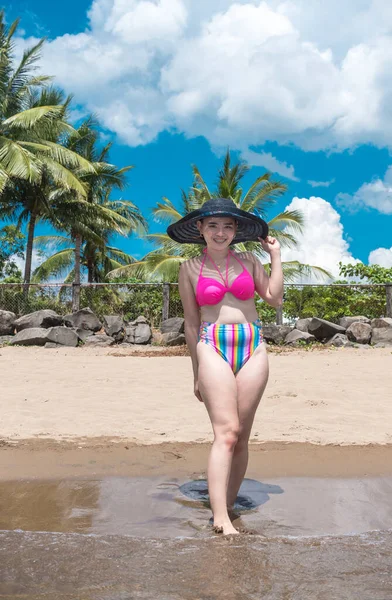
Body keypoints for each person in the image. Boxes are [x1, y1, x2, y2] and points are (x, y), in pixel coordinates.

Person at [167, 198, 283, 535]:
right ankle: (219, 518)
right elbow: (190, 324)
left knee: (242, 436)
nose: (221, 232)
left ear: (236, 231)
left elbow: (274, 298)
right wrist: (195, 373)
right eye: (213, 225)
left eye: (228, 226)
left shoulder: (248, 260)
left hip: (253, 345)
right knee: (226, 431)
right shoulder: (188, 269)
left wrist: (275, 257)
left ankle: (228, 505)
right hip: (211, 345)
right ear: (200, 229)